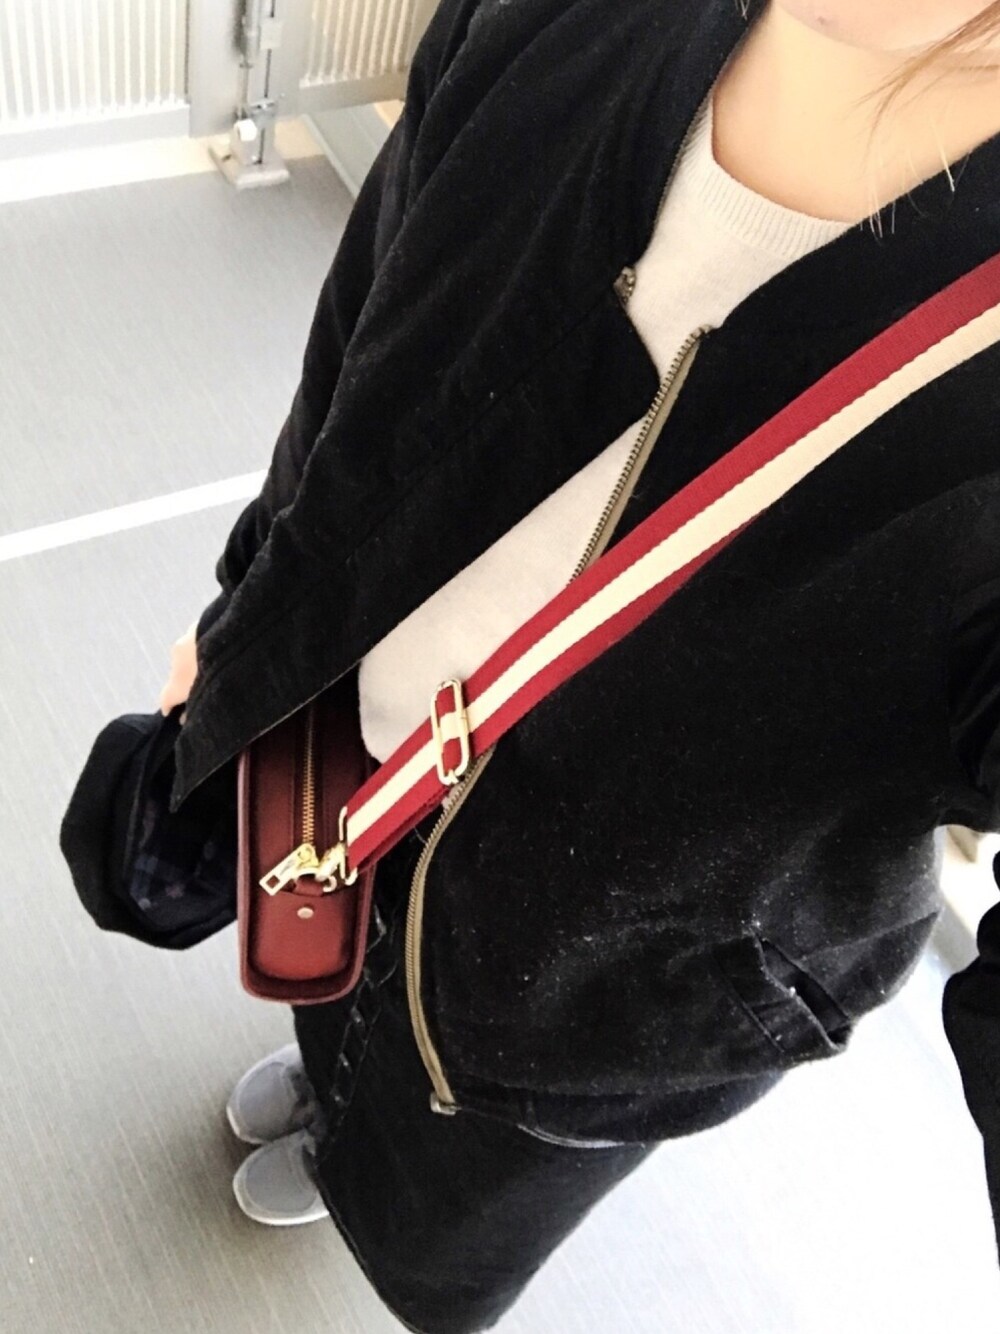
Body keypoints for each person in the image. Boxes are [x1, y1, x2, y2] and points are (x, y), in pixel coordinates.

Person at [157, 1, 1000, 1330]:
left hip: (601, 991)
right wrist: (246, 605)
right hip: (361, 763)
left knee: (455, 1178)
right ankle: (334, 1091)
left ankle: (358, 1175)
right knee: (337, 970)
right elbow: (357, 358)